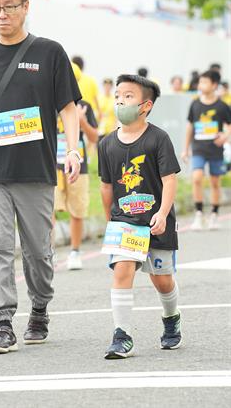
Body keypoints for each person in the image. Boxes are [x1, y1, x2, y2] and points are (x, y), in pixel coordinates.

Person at [0, 0, 81, 355]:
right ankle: (3, 322)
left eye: (9, 7)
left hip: (36, 168)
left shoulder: (49, 52)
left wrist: (72, 150)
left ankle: (40, 307)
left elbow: (68, 108)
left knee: (37, 251)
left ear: (26, 7)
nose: (1, 15)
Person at [98, 74, 181, 359]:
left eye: (128, 96)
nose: (120, 100)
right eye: (118, 95)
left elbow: (169, 179)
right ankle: (122, 335)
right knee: (123, 270)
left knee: (162, 280)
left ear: (145, 106)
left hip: (157, 220)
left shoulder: (159, 138)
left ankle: (171, 319)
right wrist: (110, 218)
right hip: (124, 221)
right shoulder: (106, 143)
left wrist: (162, 212)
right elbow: (107, 185)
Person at [182, 70, 231, 230]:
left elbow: (229, 126)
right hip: (198, 148)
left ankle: (214, 215)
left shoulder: (222, 106)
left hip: (215, 149)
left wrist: (224, 136)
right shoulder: (195, 104)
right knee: (197, 177)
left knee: (215, 182)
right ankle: (198, 214)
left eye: (204, 82)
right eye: (200, 82)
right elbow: (190, 126)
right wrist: (185, 148)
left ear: (214, 85)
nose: (200, 85)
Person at [54, 100, 98, 270]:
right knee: (48, 210)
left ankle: (75, 251)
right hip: (53, 164)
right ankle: (49, 252)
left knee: (77, 209)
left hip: (77, 165)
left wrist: (82, 120)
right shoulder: (48, 101)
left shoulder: (84, 105)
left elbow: (94, 137)